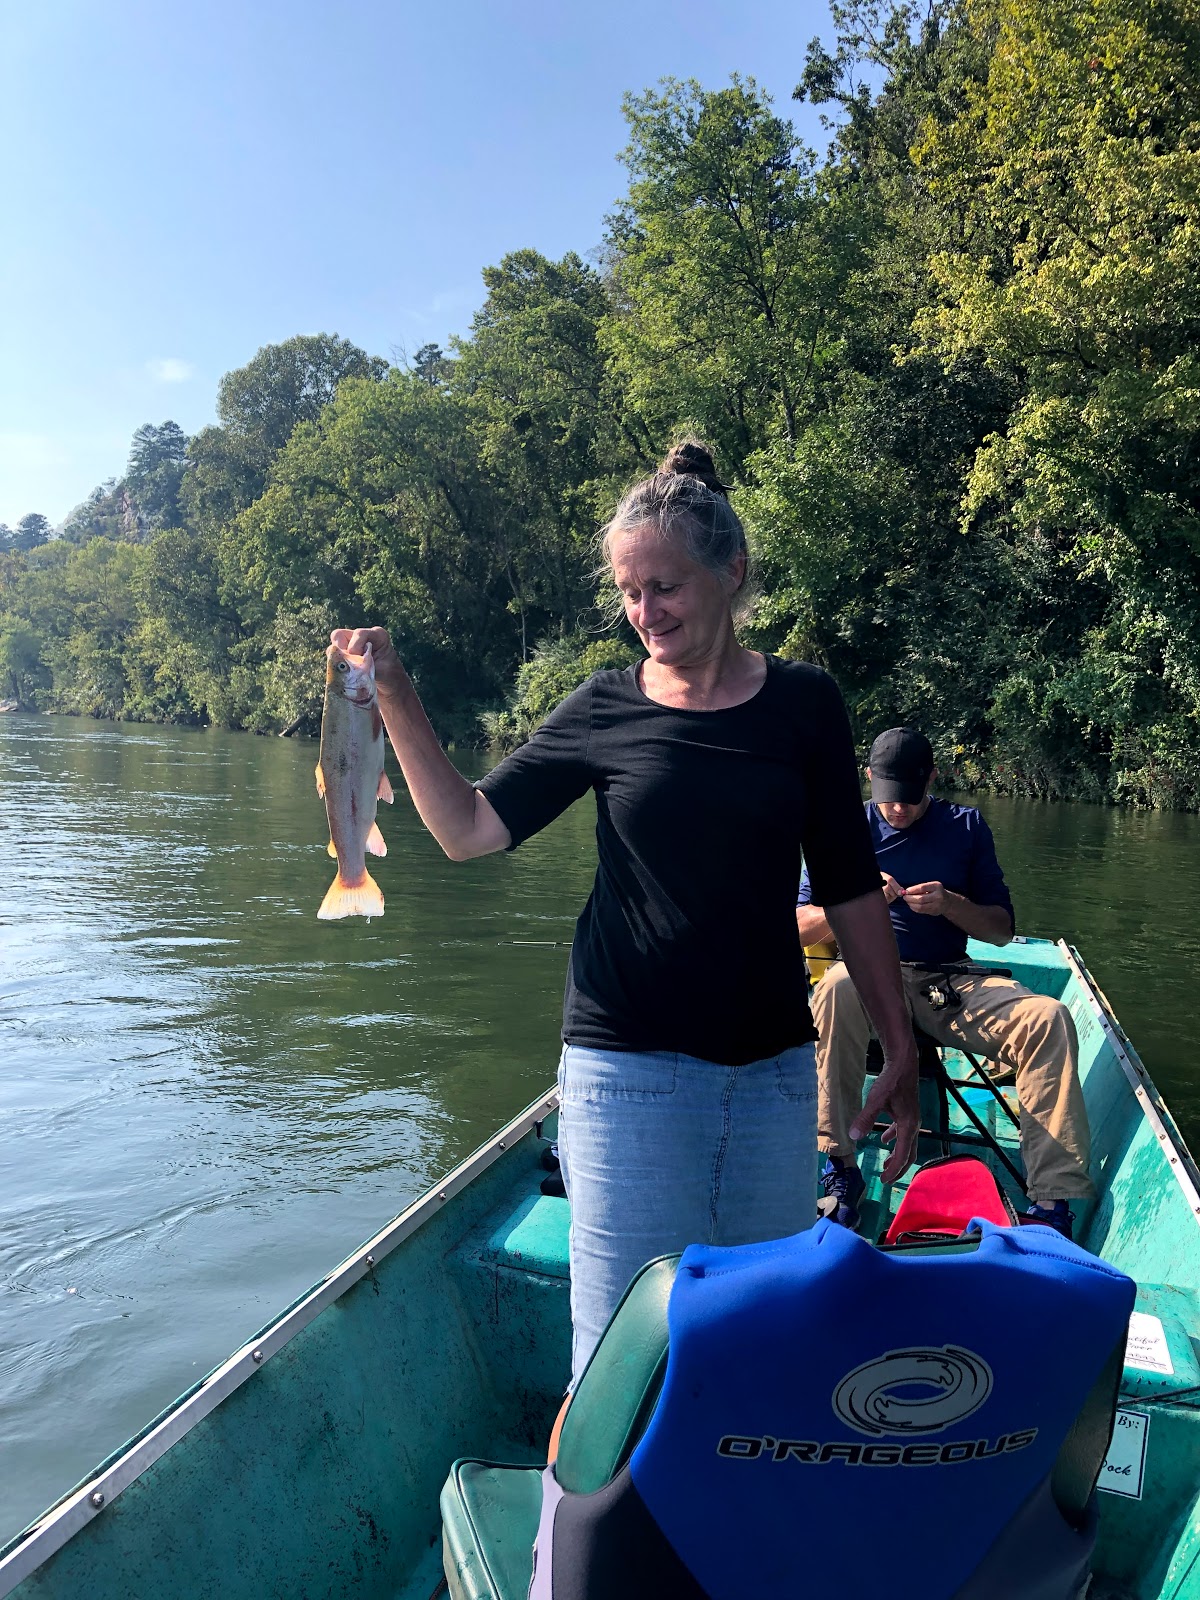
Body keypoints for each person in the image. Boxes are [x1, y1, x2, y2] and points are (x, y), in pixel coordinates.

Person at [334, 440, 919, 1385]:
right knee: (617, 1365)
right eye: (630, 592)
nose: (645, 612)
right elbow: (469, 829)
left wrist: (898, 1040)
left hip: (774, 1077)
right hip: (626, 1073)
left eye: (667, 587)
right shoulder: (604, 707)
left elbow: (849, 884)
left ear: (731, 573)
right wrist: (395, 693)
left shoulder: (807, 704)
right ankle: (581, 1535)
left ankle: (722, 1527)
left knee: (760, 1340)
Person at [796, 726, 1095, 1238]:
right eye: (889, 799)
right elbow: (800, 926)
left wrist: (952, 905)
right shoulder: (845, 828)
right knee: (834, 990)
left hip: (948, 982)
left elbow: (1001, 932)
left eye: (910, 799)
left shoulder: (967, 826)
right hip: (867, 978)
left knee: (1048, 1018)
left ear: (932, 778)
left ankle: (1050, 1204)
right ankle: (841, 1166)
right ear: (869, 779)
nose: (899, 811)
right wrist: (861, 898)